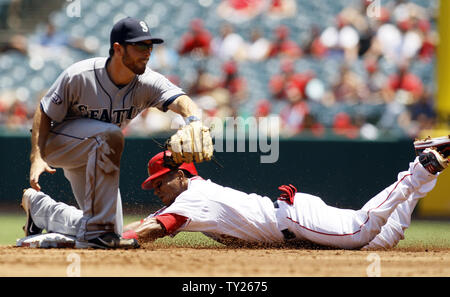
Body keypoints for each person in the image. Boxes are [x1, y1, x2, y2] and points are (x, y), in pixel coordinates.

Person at [19, 136, 449, 250]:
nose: (157, 193)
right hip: (293, 220)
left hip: (293, 221)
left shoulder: (191, 198)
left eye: (159, 184)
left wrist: (108, 238)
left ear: (180, 175)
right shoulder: (196, 191)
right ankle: (419, 165)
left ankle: (420, 168)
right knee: (386, 236)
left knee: (360, 231)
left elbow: (147, 231)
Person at [26, 17, 212, 249]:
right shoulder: (81, 75)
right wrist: (37, 156)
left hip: (96, 151)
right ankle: (94, 232)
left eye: (150, 47)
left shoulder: (147, 82)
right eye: (140, 46)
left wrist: (193, 120)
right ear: (118, 48)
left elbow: (182, 100)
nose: (147, 52)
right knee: (109, 134)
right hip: (59, 143)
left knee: (110, 230)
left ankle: (40, 208)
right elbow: (44, 111)